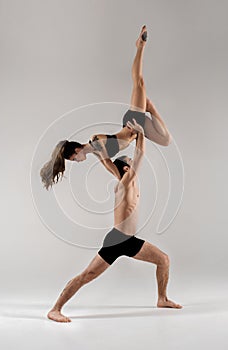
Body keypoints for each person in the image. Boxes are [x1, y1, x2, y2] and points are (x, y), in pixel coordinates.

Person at [47, 118, 182, 323]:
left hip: (130, 241)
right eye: (129, 164)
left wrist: (97, 151)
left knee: (163, 260)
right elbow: (139, 156)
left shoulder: (126, 179)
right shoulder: (125, 183)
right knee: (87, 276)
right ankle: (55, 309)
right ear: (127, 170)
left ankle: (162, 298)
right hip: (117, 240)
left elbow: (108, 163)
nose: (132, 166)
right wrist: (141, 135)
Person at [40, 25, 172, 190]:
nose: (77, 161)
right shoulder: (96, 152)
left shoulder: (96, 140)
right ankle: (150, 107)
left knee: (139, 81)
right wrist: (121, 182)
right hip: (137, 131)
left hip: (133, 123)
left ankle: (140, 46)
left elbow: (108, 146)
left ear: (76, 150)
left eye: (74, 159)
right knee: (166, 140)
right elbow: (115, 173)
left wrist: (133, 134)